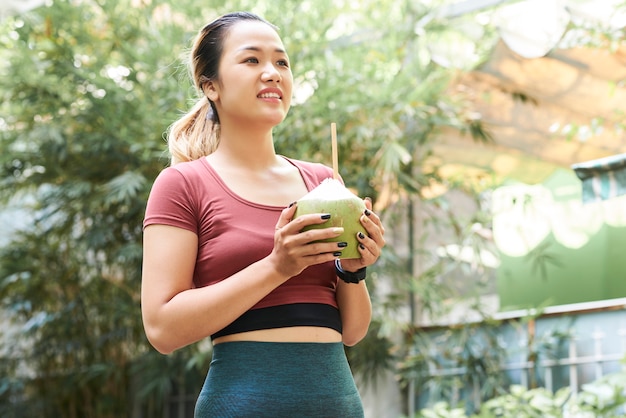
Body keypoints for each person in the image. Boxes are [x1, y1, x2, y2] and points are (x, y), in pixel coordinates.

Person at [141, 11, 385, 417]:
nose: (272, 73)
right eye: (252, 60)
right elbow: (163, 329)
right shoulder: (182, 184)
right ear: (211, 86)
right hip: (241, 404)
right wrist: (278, 266)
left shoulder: (324, 183)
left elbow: (353, 332)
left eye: (282, 62)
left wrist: (352, 270)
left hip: (336, 403)